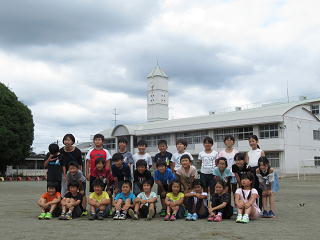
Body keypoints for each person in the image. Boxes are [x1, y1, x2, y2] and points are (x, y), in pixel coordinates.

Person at [246, 135, 265, 207]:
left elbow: (263, 164)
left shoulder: (261, 152)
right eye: (250, 141)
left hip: (258, 171)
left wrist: (260, 171)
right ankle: (253, 206)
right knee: (252, 189)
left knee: (260, 190)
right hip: (251, 172)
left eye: (253, 141)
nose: (251, 143)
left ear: (257, 141)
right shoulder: (248, 152)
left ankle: (260, 207)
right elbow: (247, 164)